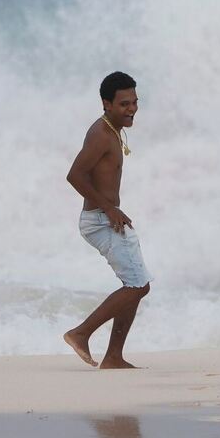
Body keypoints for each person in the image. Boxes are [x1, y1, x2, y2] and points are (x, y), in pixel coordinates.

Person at [63, 71, 152, 369]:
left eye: (135, 102)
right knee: (138, 287)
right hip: (100, 220)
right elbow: (74, 175)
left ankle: (114, 356)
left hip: (106, 217)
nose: (131, 109)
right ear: (106, 103)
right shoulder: (101, 135)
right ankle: (80, 333)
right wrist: (109, 209)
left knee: (135, 284)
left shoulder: (112, 130)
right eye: (124, 104)